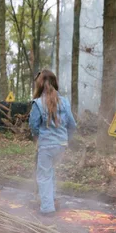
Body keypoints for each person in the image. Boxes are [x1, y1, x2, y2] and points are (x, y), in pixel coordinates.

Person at [28, 69, 76, 216]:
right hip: (61, 145)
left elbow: (33, 125)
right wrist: (65, 139)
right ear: (55, 83)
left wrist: (38, 137)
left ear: (39, 85)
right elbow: (72, 125)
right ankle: (52, 198)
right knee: (50, 172)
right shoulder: (65, 102)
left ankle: (47, 208)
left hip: (46, 145)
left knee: (43, 176)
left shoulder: (37, 103)